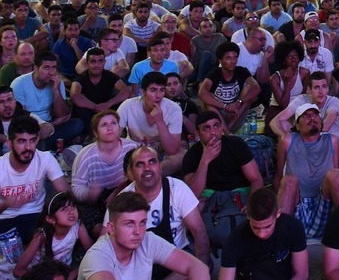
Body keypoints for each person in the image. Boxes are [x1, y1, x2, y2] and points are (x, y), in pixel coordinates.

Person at [0, 114, 71, 244]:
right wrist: (6, 204)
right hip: (2, 221)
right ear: (9, 143)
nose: (28, 148)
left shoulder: (46, 159)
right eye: (21, 141)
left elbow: (66, 195)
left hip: (35, 217)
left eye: (32, 140)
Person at [78, 191, 209, 280]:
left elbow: (199, 268)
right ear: (111, 228)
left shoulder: (147, 240)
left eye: (142, 223)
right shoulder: (97, 257)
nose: (138, 231)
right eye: (129, 224)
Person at [276, 102, 339, 240]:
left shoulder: (332, 140)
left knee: (335, 174)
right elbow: (278, 175)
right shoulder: (287, 140)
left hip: (322, 204)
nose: (312, 118)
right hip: (297, 204)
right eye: (306, 115)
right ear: (297, 125)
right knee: (288, 180)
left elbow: (335, 178)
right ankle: (279, 241)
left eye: (315, 114)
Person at [218, 187, 307, 280]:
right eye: (255, 227)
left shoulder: (293, 227)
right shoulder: (234, 240)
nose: (261, 234)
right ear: (247, 215)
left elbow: (301, 274)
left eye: (267, 226)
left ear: (278, 213)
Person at [180, 110, 264, 196]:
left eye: (216, 126)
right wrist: (205, 161)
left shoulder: (236, 144)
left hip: (241, 193)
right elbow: (192, 194)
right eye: (206, 128)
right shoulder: (191, 155)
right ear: (197, 134)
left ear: (221, 128)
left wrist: (251, 204)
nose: (213, 132)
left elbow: (256, 179)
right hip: (213, 197)